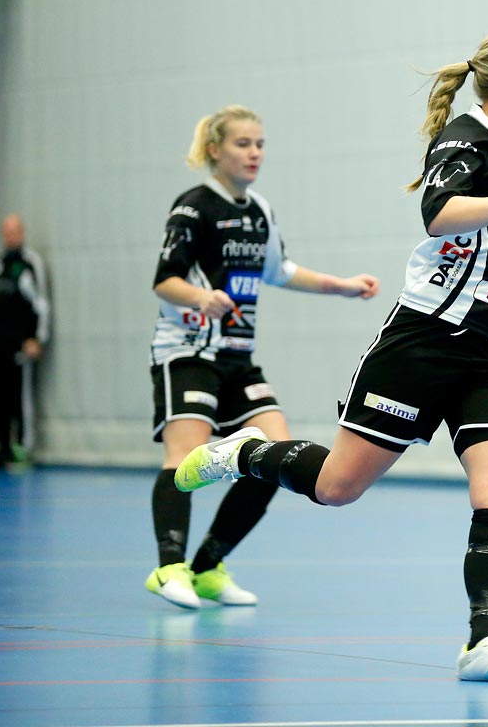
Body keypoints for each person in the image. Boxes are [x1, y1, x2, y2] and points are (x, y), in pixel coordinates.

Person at [173, 31, 488, 683]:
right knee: (337, 487)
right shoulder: (465, 137)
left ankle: (485, 640)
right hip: (427, 340)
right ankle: (244, 453)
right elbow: (440, 214)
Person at [146, 106, 381, 612]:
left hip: (237, 357)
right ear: (215, 150)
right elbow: (165, 279)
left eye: (260, 144)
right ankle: (169, 567)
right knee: (182, 455)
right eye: (243, 144)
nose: (255, 153)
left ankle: (208, 566)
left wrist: (340, 287)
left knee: (275, 450)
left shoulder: (259, 212)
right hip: (188, 351)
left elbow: (281, 269)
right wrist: (199, 298)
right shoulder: (192, 208)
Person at [0, 213, 49, 467]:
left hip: (21, 343)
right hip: (1, 345)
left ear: (22, 233)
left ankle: (22, 448)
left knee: (21, 397)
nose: (10, 236)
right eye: (5, 231)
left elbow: (41, 304)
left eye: (14, 231)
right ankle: (3, 448)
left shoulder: (31, 263)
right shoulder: (0, 264)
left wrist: (36, 338)